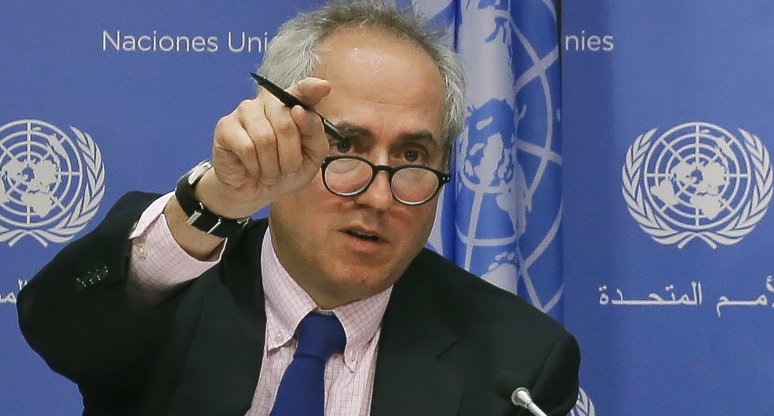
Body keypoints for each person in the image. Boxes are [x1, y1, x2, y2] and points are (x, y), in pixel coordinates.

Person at [17, 1, 580, 415]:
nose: (379, 197)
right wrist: (219, 201)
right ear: (279, 132)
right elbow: (55, 323)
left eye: (413, 155)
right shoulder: (175, 294)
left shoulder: (517, 364)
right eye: (346, 147)